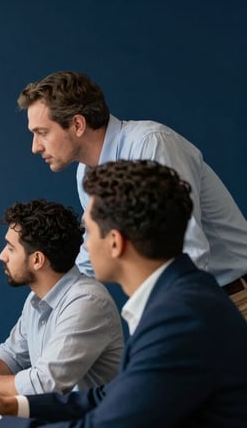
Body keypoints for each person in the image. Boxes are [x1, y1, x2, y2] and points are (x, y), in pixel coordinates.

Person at [0, 161, 247, 428]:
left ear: (115, 243)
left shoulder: (181, 318)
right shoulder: (179, 299)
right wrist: (11, 406)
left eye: (89, 231)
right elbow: (109, 397)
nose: (83, 246)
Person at [17, 70, 247, 318]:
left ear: (77, 124)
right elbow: (91, 256)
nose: (35, 146)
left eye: (42, 132)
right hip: (187, 301)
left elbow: (189, 251)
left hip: (233, 300)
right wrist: (48, 294)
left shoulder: (151, 145)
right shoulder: (85, 173)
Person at [0, 199, 124, 395]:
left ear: (37, 260)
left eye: (10, 248)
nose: (2, 256)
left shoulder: (87, 302)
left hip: (82, 423)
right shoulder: (36, 299)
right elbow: (12, 356)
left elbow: (46, 383)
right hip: (52, 419)